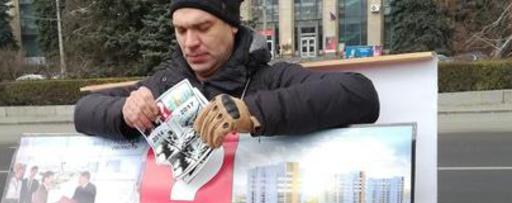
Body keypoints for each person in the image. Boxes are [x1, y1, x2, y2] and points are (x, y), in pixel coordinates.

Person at [74, 0, 379, 148]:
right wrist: (124, 113)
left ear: (232, 25)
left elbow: (360, 95)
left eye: (203, 28)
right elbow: (83, 111)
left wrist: (252, 113)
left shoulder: (269, 79)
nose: (190, 42)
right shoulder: (165, 83)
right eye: (181, 30)